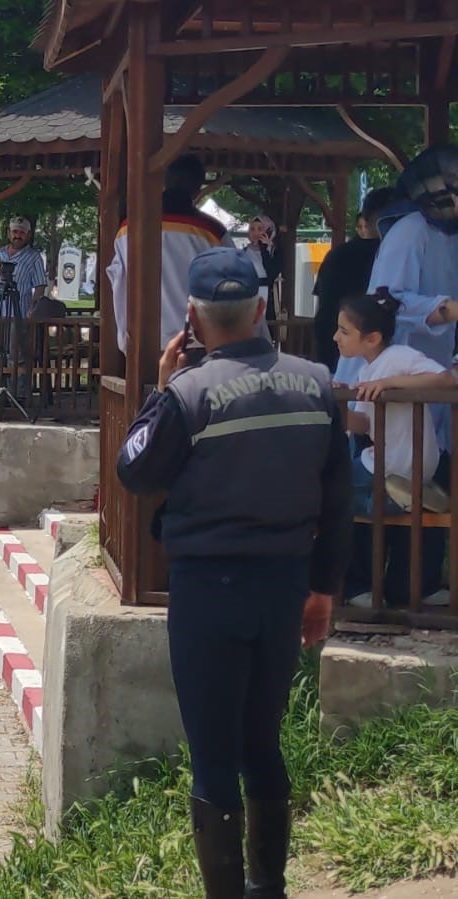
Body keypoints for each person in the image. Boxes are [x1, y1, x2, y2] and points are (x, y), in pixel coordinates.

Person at [116, 247, 349, 899]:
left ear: (190, 315)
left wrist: (160, 389)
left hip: (206, 593)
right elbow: (336, 503)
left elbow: (133, 471)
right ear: (261, 308)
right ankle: (267, 886)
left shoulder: (187, 395)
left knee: (214, 754)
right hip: (282, 589)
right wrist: (322, 591)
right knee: (261, 743)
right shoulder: (316, 383)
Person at [335, 291, 457, 607]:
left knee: (333, 495)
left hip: (390, 468)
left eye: (344, 331)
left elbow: (445, 380)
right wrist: (338, 404)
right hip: (402, 465)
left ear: (372, 338)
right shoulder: (367, 370)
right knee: (411, 506)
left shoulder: (399, 357)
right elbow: (363, 425)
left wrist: (392, 383)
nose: (336, 337)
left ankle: (355, 587)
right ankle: (414, 588)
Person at [107, 154, 243, 354]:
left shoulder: (128, 229)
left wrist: (124, 338)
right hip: (198, 345)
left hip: (142, 345)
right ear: (198, 188)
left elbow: (118, 281)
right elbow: (235, 286)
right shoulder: (213, 232)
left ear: (164, 181)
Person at [312, 187, 397, 372]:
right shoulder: (392, 253)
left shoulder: (337, 255)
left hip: (335, 346)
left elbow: (323, 306)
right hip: (381, 353)